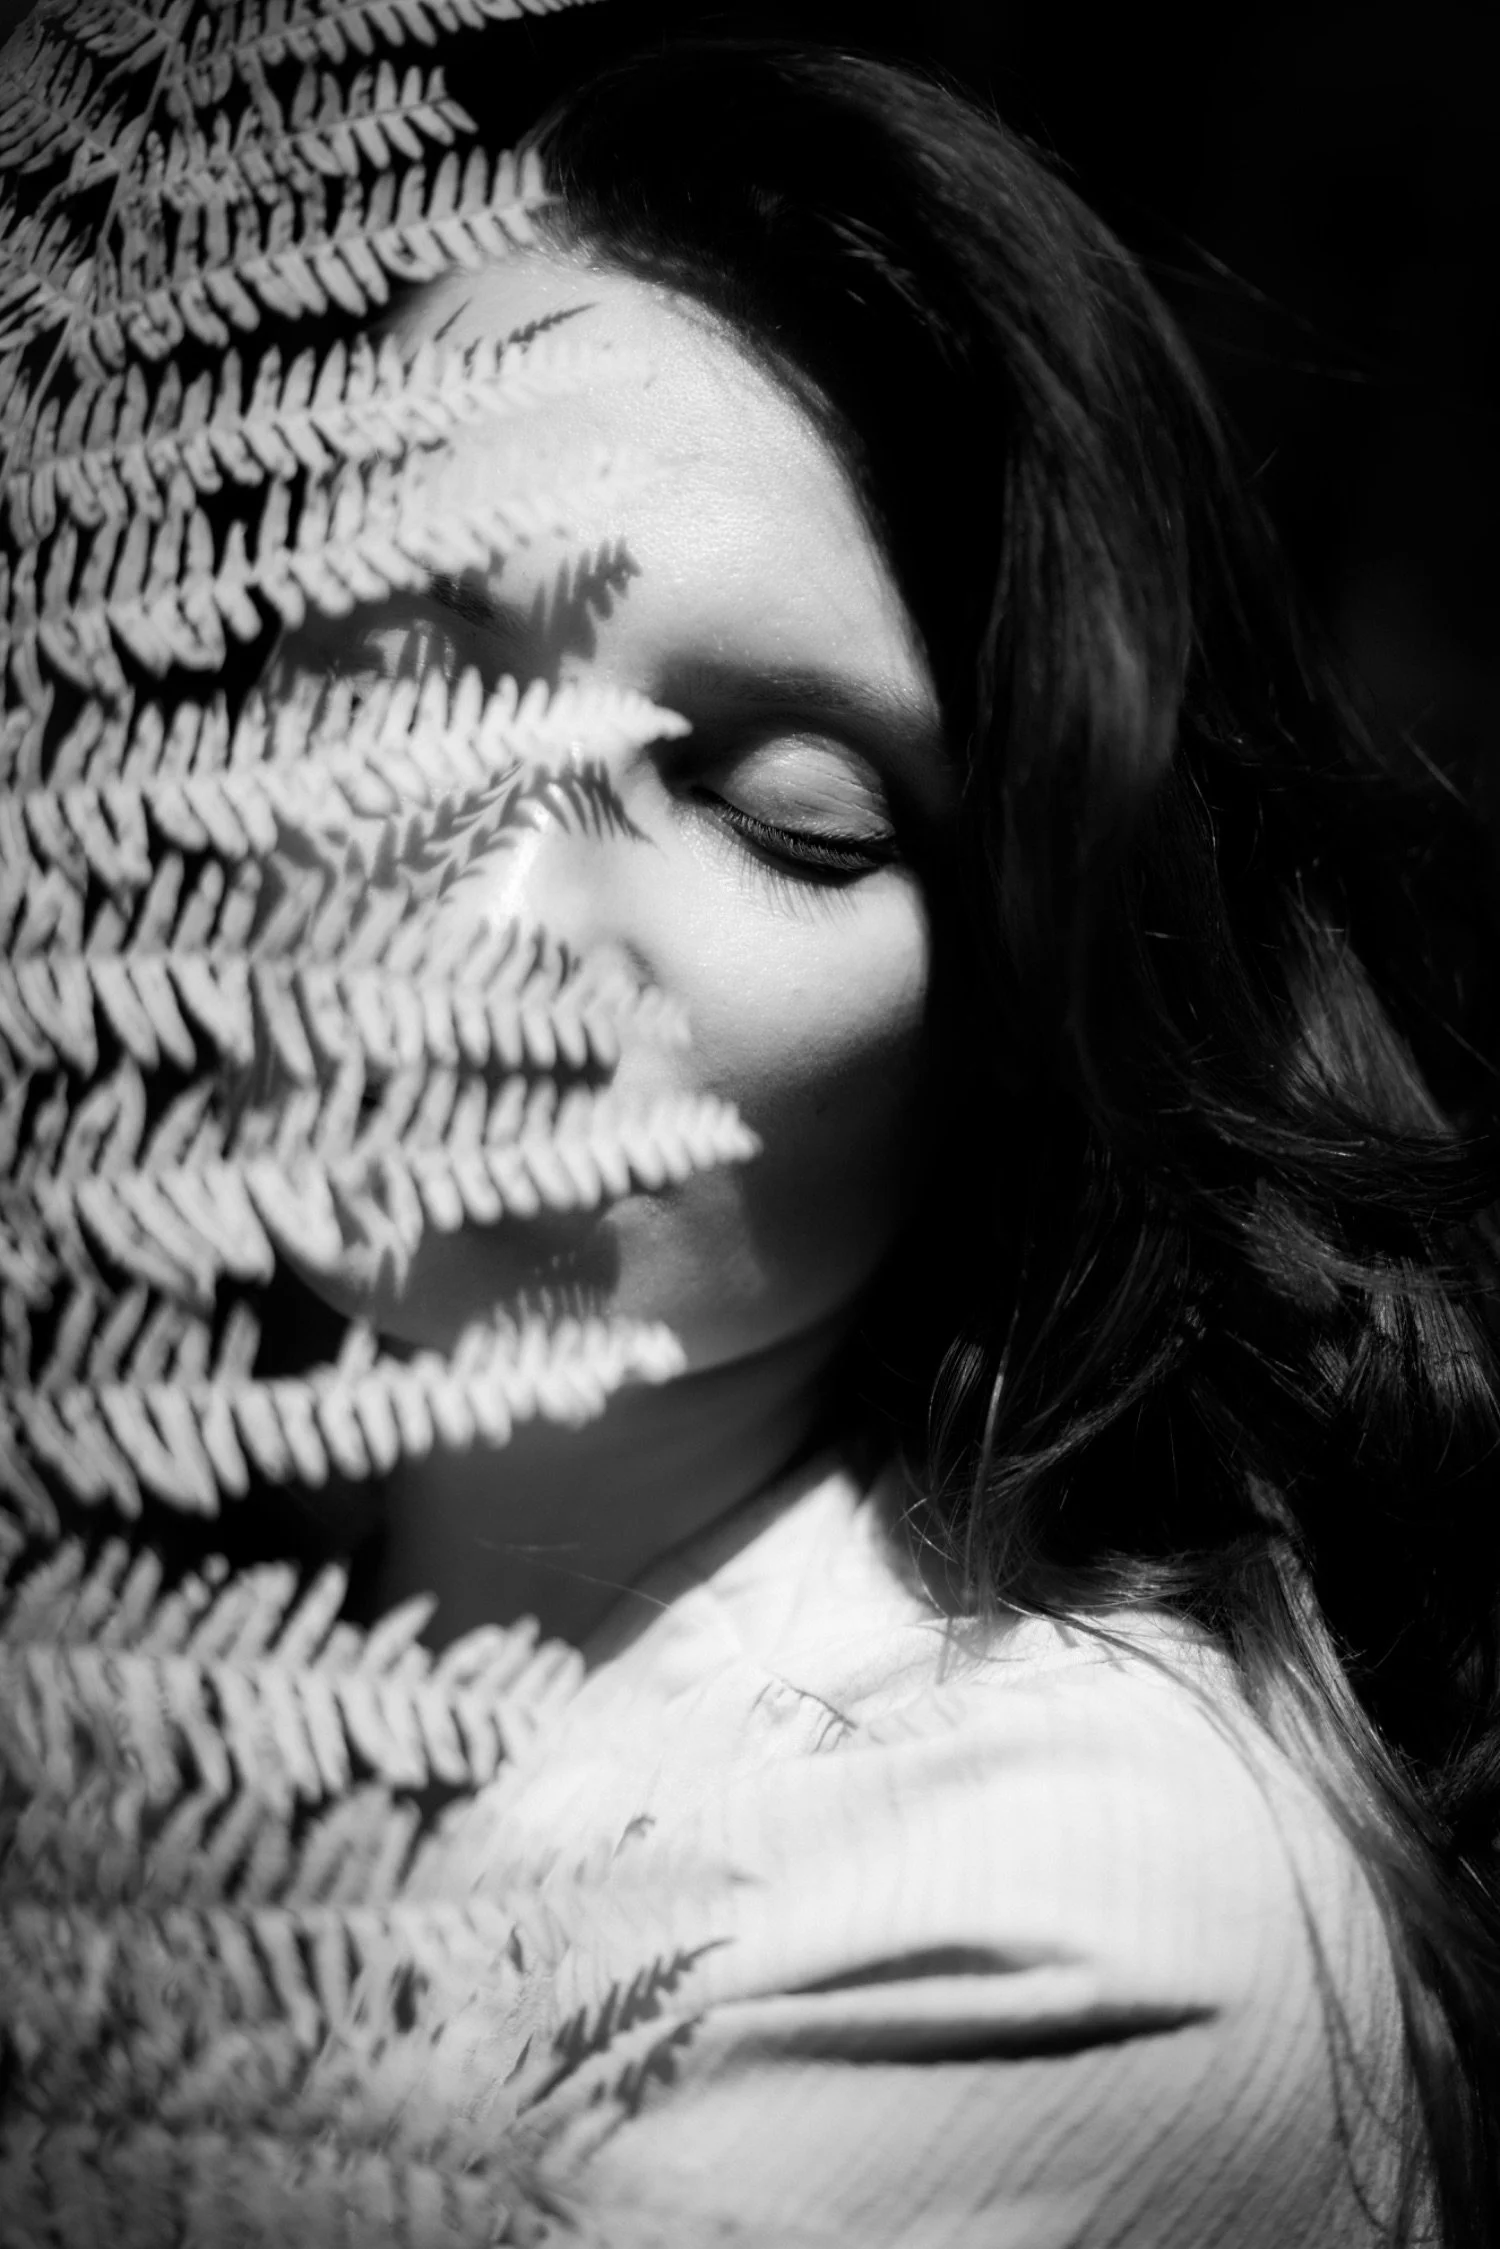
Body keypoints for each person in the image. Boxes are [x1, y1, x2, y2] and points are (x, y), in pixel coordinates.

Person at [263, 35, 1500, 2249]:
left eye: (785, 815)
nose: (498, 923)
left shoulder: (1049, 1918)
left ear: (1023, 1012)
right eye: (400, 674)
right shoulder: (183, 1528)